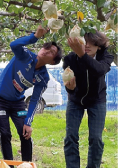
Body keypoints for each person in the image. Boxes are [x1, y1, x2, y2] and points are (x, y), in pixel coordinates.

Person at [0, 25, 63, 162]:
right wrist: (35, 37)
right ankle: (9, 165)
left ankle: (27, 164)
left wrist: (28, 123)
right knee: (5, 134)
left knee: (25, 133)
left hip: (18, 103)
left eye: (52, 52)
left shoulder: (44, 77)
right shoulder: (25, 55)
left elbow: (35, 100)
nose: (46, 51)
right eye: (46, 47)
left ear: (53, 62)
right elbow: (14, 44)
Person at [63, 31, 113, 168]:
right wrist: (70, 89)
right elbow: (68, 83)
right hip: (75, 100)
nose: (87, 45)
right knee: (70, 136)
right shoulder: (69, 59)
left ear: (99, 46)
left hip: (97, 100)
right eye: (85, 41)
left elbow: (100, 70)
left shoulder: (106, 56)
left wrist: (82, 55)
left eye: (92, 42)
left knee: (96, 138)